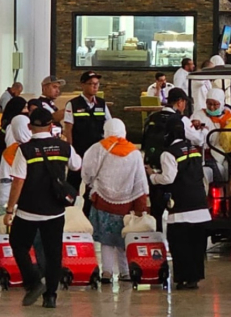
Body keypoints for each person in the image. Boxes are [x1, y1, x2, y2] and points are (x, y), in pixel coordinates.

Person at [4, 108, 82, 308]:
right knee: (53, 252)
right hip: (55, 210)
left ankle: (32, 282)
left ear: (30, 127)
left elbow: (18, 182)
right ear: (51, 125)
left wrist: (10, 210)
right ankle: (51, 296)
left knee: (19, 244)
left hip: (28, 210)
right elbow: (76, 165)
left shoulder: (25, 150)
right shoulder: (64, 147)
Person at [146, 117, 210, 290]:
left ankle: (183, 278)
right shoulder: (195, 149)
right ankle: (194, 278)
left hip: (181, 208)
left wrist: (152, 175)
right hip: (200, 206)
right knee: (197, 246)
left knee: (180, 245)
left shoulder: (169, 153)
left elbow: (168, 178)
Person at [83, 119, 148, 284]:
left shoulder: (98, 148)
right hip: (126, 204)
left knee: (106, 240)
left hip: (102, 201)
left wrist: (91, 184)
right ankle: (125, 272)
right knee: (123, 238)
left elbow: (87, 171)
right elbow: (140, 181)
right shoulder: (134, 152)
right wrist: (140, 205)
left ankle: (106, 272)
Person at [142, 88, 204, 232]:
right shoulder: (181, 120)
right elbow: (199, 140)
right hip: (175, 168)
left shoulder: (152, 117)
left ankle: (157, 237)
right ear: (180, 102)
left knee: (156, 209)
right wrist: (200, 129)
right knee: (176, 206)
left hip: (153, 167)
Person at [63, 71, 112, 216]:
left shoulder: (102, 104)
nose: (94, 87)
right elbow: (68, 129)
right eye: (91, 84)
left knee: (93, 185)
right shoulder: (73, 104)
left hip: (97, 153)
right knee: (72, 184)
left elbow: (109, 125)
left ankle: (88, 214)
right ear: (82, 85)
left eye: (96, 84)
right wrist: (71, 151)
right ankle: (68, 213)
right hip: (78, 151)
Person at [191, 88, 231, 183]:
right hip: (205, 153)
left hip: (223, 153)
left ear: (221, 103)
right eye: (209, 104)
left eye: (215, 104)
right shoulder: (198, 115)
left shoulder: (229, 118)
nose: (212, 107)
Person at [0, 115, 31, 215]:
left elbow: (6, 182)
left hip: (18, 202)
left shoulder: (10, 152)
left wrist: (7, 207)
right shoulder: (43, 146)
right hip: (42, 200)